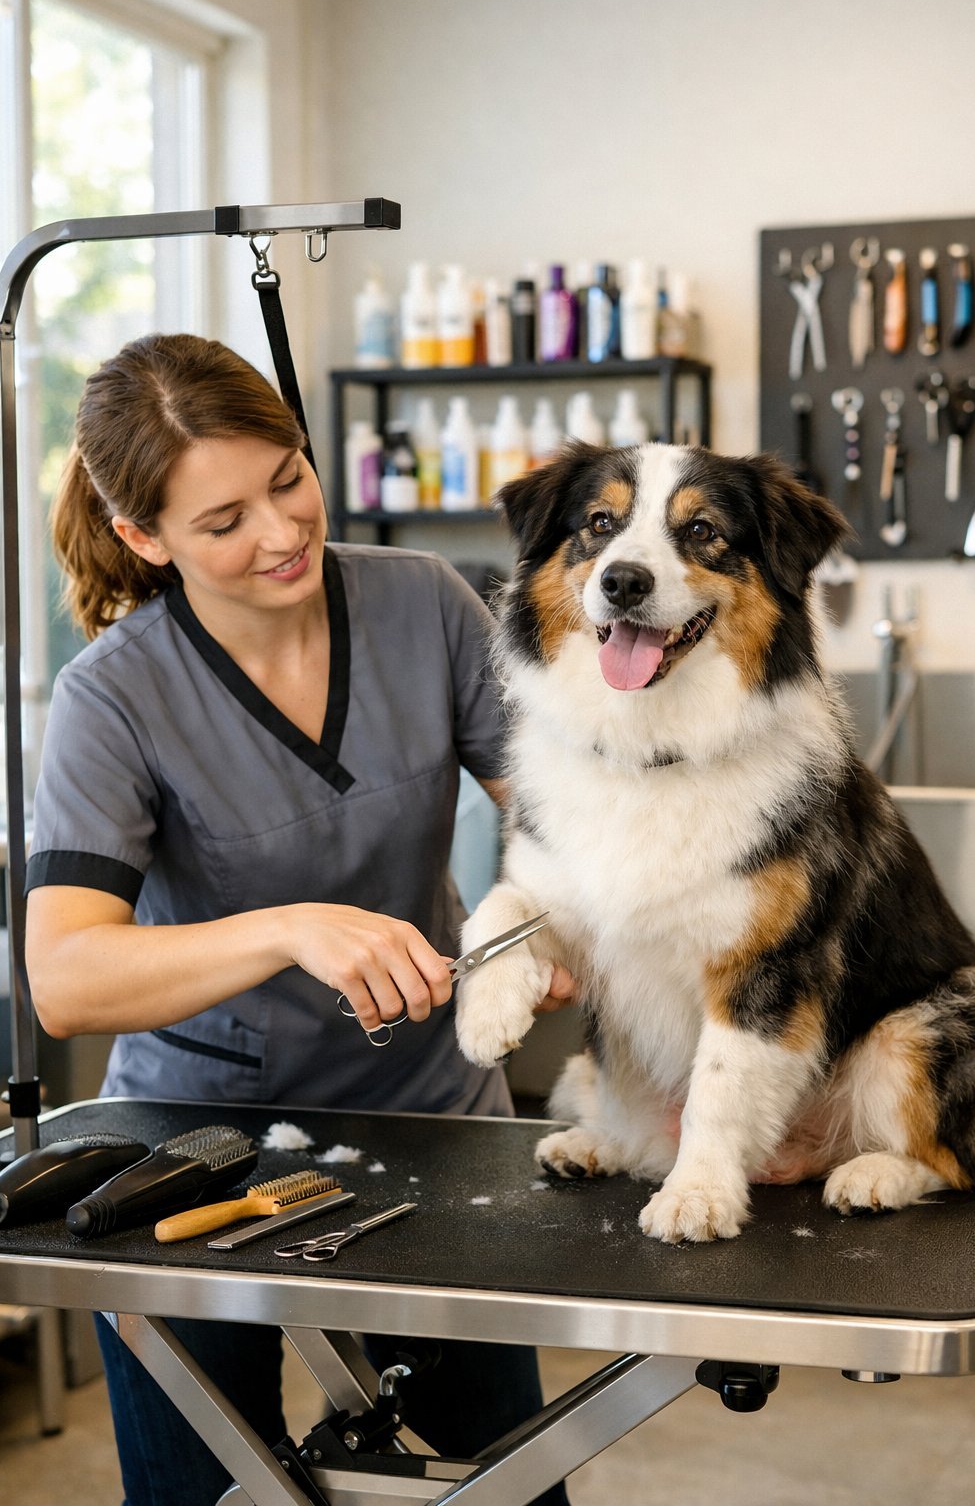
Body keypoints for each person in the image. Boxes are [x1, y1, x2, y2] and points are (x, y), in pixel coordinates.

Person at [25, 332, 573, 1506]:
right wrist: (287, 928)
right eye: (222, 522)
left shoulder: (420, 599)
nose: (279, 533)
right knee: (197, 1490)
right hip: (193, 1155)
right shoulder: (111, 697)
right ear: (144, 538)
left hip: (435, 1130)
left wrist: (565, 919)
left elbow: (554, 810)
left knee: (500, 1485)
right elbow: (65, 976)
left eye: (288, 481)